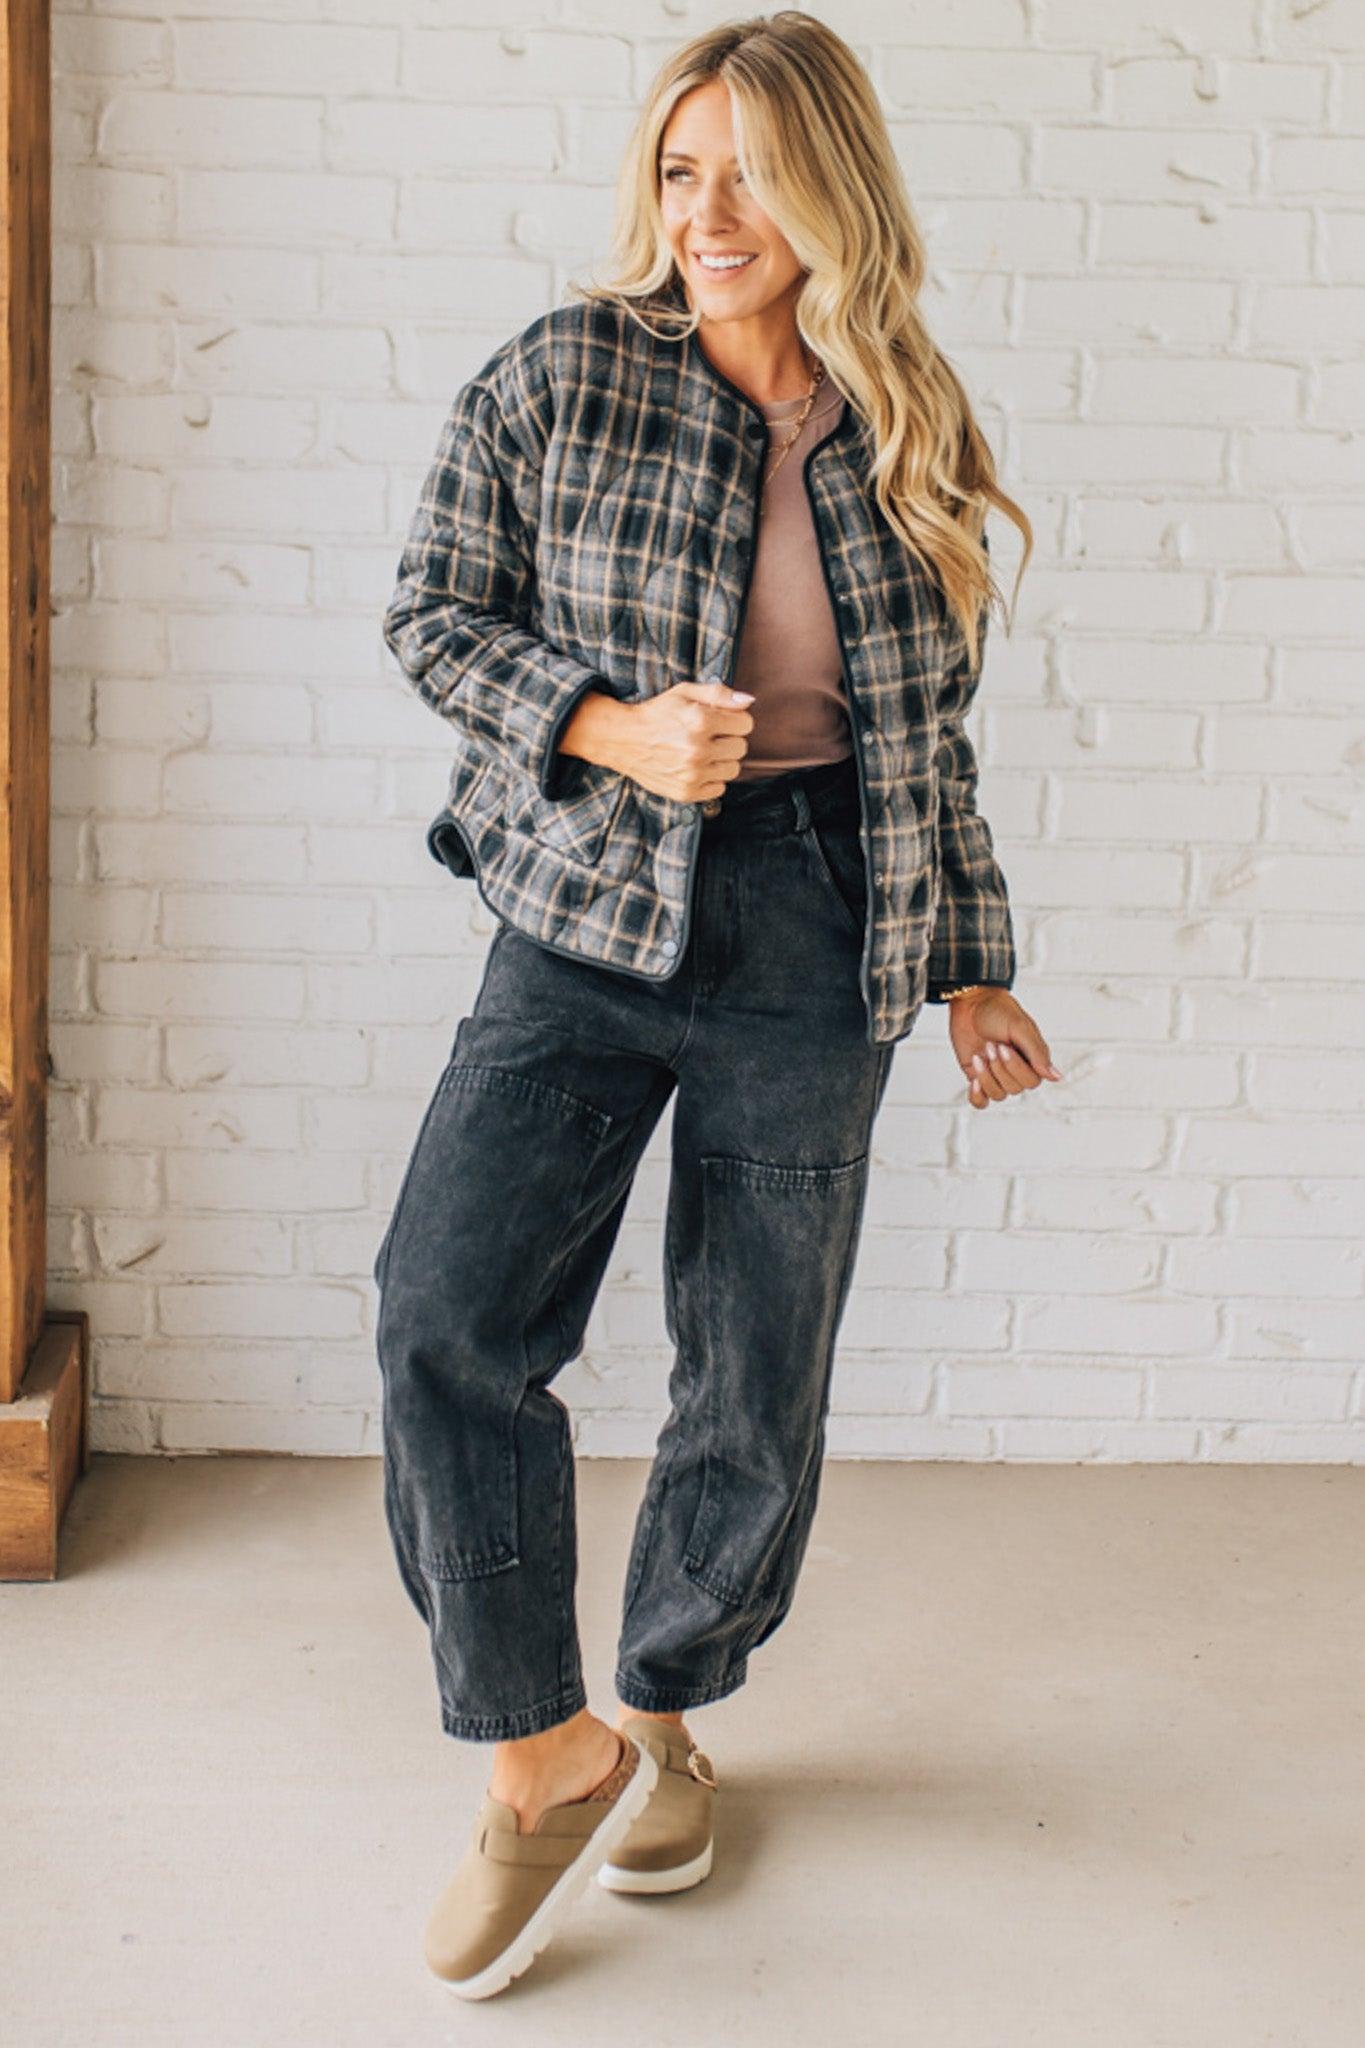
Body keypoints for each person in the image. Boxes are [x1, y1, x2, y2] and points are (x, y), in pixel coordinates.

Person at [373, 9, 1061, 2000]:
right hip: (582, 912)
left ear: (829, 189)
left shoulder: (894, 411)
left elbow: (922, 742)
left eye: (751, 170)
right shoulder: (563, 371)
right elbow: (431, 608)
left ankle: (665, 1707)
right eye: (681, 169)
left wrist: (971, 964)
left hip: (813, 930)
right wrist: (604, 721)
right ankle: (538, 1755)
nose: (709, 211)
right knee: (449, 1314)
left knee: (748, 1366)